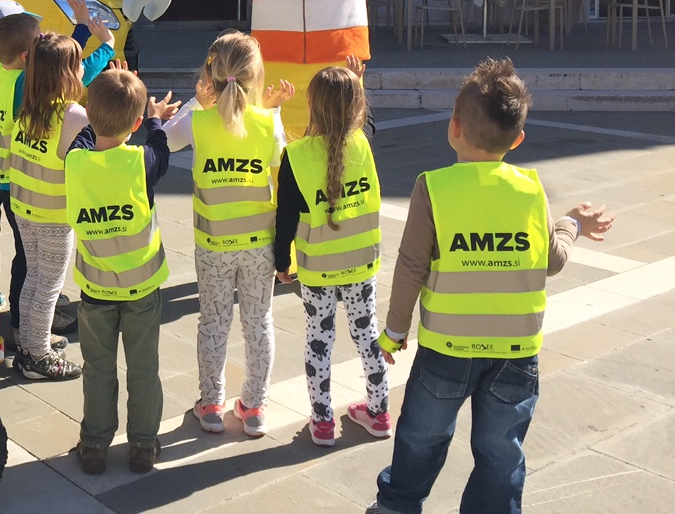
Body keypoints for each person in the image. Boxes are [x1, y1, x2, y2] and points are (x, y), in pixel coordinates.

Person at [367, 58, 614, 514]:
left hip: (446, 348)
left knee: (422, 437)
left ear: (453, 127)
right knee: (501, 453)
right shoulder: (530, 189)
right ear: (517, 140)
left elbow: (412, 266)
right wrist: (572, 224)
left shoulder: (433, 187)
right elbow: (552, 261)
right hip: (515, 353)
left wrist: (395, 331)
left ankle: (397, 506)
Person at [0, 0, 104, 344]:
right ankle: (27, 320)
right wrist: (89, 34)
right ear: (28, 51)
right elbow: (63, 69)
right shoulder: (25, 79)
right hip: (14, 171)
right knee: (28, 252)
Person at [160, 31, 293, 437]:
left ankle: (211, 404)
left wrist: (196, 103)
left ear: (210, 74)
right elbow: (279, 162)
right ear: (256, 76)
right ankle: (254, 407)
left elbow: (165, 141)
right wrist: (271, 110)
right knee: (259, 323)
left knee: (214, 323)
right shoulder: (267, 122)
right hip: (259, 245)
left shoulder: (199, 122)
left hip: (214, 245)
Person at [65, 68, 179, 474]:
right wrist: (155, 120)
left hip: (96, 290)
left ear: (90, 115)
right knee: (144, 369)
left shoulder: (75, 162)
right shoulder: (142, 162)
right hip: (142, 288)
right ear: (135, 124)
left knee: (97, 369)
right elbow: (160, 147)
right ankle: (143, 445)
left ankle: (95, 444)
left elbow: (83, 138)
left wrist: (100, 104)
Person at [274, 61, 389, 447]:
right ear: (358, 107)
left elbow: (286, 218)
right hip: (360, 264)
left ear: (311, 105)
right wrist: (357, 82)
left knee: (319, 340)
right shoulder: (362, 145)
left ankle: (322, 421)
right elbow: (365, 125)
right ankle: (379, 412)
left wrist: (282, 262)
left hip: (318, 269)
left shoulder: (296, 155)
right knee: (367, 335)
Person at [5, 24, 113, 380]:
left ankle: (28, 343)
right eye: (79, 64)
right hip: (53, 216)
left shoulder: (27, 109)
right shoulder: (73, 116)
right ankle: (38, 357)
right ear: (67, 74)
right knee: (49, 286)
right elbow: (105, 149)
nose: (83, 69)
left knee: (33, 278)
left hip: (24, 210)